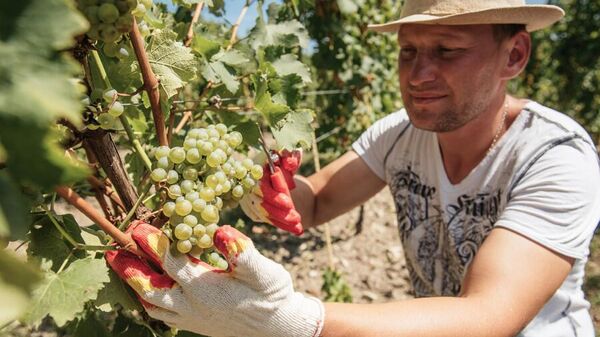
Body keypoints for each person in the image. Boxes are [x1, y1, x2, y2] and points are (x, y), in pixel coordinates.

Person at [107, 1, 600, 336]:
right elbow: (315, 201)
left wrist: (299, 320)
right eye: (408, 51)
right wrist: (268, 194)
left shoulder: (555, 156)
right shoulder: (401, 133)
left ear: (513, 55)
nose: (418, 74)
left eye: (447, 50)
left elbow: (489, 315)